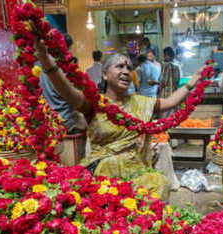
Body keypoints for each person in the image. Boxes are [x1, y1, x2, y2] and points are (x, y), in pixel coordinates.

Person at [33, 27, 205, 199]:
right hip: (101, 171)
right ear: (105, 74)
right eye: (119, 66)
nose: (125, 71)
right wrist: (45, 59)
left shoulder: (140, 102)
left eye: (129, 68)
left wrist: (192, 82)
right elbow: (67, 91)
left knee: (159, 183)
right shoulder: (95, 103)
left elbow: (170, 102)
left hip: (134, 171)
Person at [38, 33, 86, 134]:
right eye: (69, 49)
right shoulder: (64, 67)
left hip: (47, 121)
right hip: (67, 122)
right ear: (64, 48)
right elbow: (75, 97)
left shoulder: (38, 64)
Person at [157, 47, 181, 118]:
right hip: (174, 94)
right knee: (172, 116)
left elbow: (163, 81)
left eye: (164, 55)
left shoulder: (165, 66)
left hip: (165, 95)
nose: (164, 56)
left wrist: (157, 84)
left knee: (165, 117)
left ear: (167, 55)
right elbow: (177, 81)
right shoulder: (176, 67)